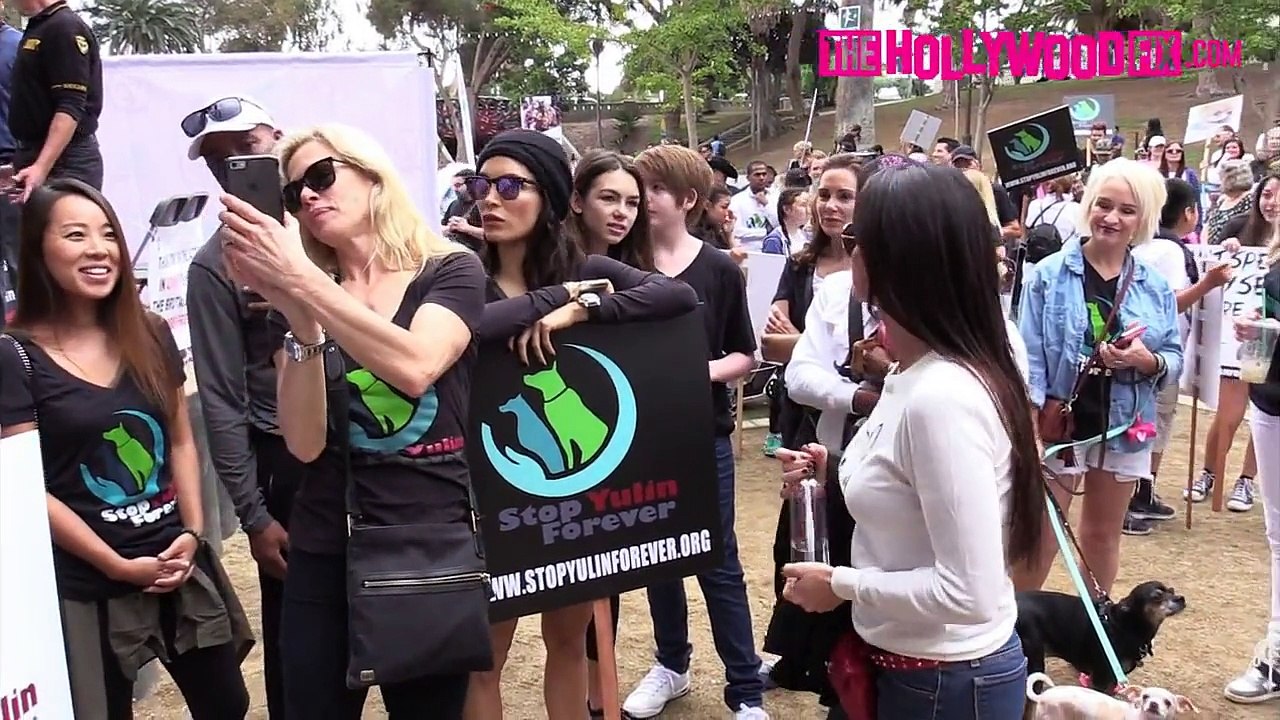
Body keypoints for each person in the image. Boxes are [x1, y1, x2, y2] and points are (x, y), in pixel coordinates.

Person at [219, 123, 488, 718]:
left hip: (424, 538)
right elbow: (306, 443)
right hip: (324, 542)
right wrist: (303, 320)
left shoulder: (449, 270)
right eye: (293, 194)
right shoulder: (302, 295)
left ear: (372, 176)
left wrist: (304, 284)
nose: (309, 198)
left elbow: (416, 366)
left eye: (321, 176)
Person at [778, 162, 1043, 719]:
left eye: (855, 238)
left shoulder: (942, 394)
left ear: (890, 259)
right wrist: (833, 474)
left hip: (944, 681)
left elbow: (967, 593)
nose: (846, 251)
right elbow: (915, 492)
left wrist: (841, 585)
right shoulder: (910, 371)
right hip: (911, 666)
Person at [462, 130, 696, 720]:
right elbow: (469, 329)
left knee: (569, 640)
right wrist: (554, 299)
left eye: (509, 185)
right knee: (484, 657)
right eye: (481, 184)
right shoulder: (457, 272)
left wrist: (585, 305)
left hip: (570, 492)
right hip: (485, 495)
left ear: (549, 197)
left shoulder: (585, 267)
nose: (490, 198)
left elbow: (678, 296)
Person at [0, 179, 250, 719]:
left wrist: (192, 531)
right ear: (38, 250)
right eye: (75, 235)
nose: (99, 248)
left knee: (227, 703)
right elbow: (27, 489)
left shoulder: (151, 331)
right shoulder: (15, 356)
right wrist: (115, 564)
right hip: (88, 585)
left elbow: (181, 438)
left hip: (176, 563)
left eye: (108, 233)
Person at [625, 143, 767, 720]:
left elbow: (745, 354)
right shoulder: (617, 262)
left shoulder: (718, 269)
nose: (643, 200)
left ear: (688, 200)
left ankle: (745, 688)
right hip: (639, 439)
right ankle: (672, 665)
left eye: (655, 189)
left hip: (703, 437)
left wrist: (697, 373)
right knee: (658, 557)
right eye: (639, 188)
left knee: (719, 559)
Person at [1015, 158, 1183, 596]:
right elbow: (1028, 356)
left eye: (1127, 210)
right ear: (1088, 205)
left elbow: (1173, 358)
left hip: (1125, 425)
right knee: (1042, 537)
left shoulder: (1154, 286)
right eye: (1103, 205)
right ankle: (1012, 642)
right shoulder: (1048, 276)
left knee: (1101, 537)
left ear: (1142, 219)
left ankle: (1094, 639)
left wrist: (1146, 361)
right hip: (1059, 424)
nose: (1112, 217)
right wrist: (1030, 422)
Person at [181, 95, 293, 720]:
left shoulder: (338, 231)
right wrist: (253, 516)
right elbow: (221, 399)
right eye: (222, 162)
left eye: (250, 147)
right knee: (298, 645)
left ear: (277, 135)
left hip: (373, 449)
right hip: (284, 463)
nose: (240, 166)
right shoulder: (213, 266)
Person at [1124, 177, 1233, 534]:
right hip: (1155, 353)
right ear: (1188, 213)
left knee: (1147, 423)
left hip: (1145, 349)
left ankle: (1140, 492)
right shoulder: (1169, 252)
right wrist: (1206, 285)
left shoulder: (1146, 247)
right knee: (1151, 425)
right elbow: (1168, 303)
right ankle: (1135, 498)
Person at [1224, 211, 1280, 705]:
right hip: (1272, 400)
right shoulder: (1273, 246)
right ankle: (1278, 654)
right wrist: (1256, 328)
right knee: (1279, 536)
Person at [8, 0, 104, 199]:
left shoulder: (64, 28)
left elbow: (70, 106)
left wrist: (41, 167)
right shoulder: (41, 26)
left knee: (65, 227)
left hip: (66, 163)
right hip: (40, 156)